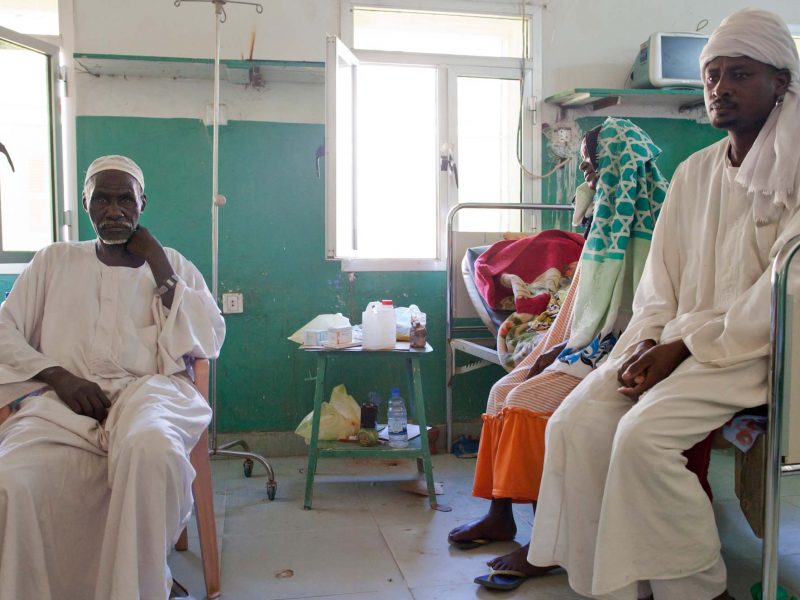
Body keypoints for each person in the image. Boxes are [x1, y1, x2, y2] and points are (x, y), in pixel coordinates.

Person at [526, 8, 800, 600]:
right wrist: (648, 339)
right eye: (712, 75)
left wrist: (685, 346)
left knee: (643, 439)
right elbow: (660, 281)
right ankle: (620, 586)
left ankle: (699, 588)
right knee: (576, 424)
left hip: (762, 350)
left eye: (740, 74)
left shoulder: (799, 172)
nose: (720, 88)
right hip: (678, 342)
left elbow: (787, 290)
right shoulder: (694, 173)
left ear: (781, 81)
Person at [448, 118, 669, 591]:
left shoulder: (653, 226)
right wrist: (554, 348)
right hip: (584, 342)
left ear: (616, 168)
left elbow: (641, 312)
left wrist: (571, 351)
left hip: (626, 348)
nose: (587, 180)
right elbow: (581, 303)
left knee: (529, 403)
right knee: (501, 390)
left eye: (593, 169)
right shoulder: (604, 222)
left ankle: (547, 545)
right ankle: (500, 516)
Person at [0, 155, 226, 600]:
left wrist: (159, 264)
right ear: (85, 203)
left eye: (126, 199)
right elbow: (5, 329)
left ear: (143, 202)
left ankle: (140, 587)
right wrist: (59, 377)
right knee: (11, 480)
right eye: (101, 199)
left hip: (152, 395)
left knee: (151, 450)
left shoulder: (172, 261)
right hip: (63, 406)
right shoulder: (54, 261)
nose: (114, 210)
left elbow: (208, 337)